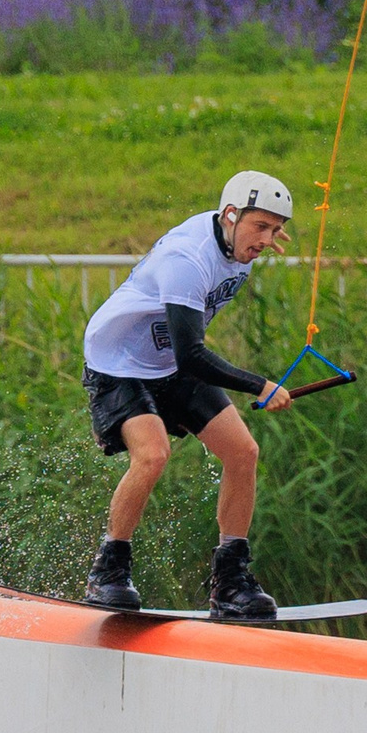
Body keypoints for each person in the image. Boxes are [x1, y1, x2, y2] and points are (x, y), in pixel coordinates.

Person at [79, 170, 297, 618]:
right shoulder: (187, 258)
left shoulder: (238, 243)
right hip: (119, 362)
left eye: (276, 229)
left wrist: (261, 231)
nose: (268, 240)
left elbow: (185, 357)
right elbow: (194, 356)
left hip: (167, 363)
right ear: (231, 215)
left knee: (243, 452)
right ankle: (109, 571)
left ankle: (230, 580)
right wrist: (261, 384)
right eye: (261, 227)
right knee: (153, 454)